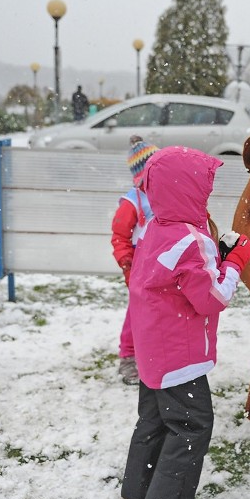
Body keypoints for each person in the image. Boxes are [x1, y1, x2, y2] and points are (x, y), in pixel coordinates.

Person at [119, 146, 250, 499]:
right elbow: (213, 297)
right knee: (191, 426)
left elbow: (177, 278)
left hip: (152, 351)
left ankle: (138, 491)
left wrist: (217, 256)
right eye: (204, 190)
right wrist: (235, 261)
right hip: (180, 354)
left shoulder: (156, 230)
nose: (206, 198)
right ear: (188, 191)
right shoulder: (189, 240)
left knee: (155, 420)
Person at [110, 135, 159, 385]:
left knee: (162, 311)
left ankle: (155, 353)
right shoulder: (133, 201)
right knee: (136, 312)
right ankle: (128, 356)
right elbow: (119, 235)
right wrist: (127, 264)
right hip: (140, 266)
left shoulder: (169, 194)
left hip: (165, 265)